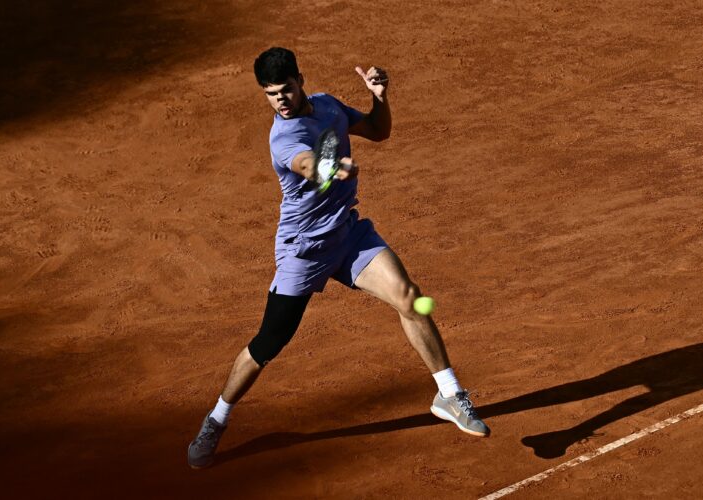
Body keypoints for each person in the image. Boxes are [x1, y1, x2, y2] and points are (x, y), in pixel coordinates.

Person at [187, 47, 490, 469]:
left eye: (285, 89)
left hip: (347, 237)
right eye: (270, 93)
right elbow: (306, 163)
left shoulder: (329, 105)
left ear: (300, 81)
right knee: (268, 343)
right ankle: (217, 418)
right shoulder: (283, 137)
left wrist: (379, 98)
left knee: (409, 296)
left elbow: (378, 131)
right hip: (304, 251)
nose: (280, 100)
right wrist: (331, 167)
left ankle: (450, 394)